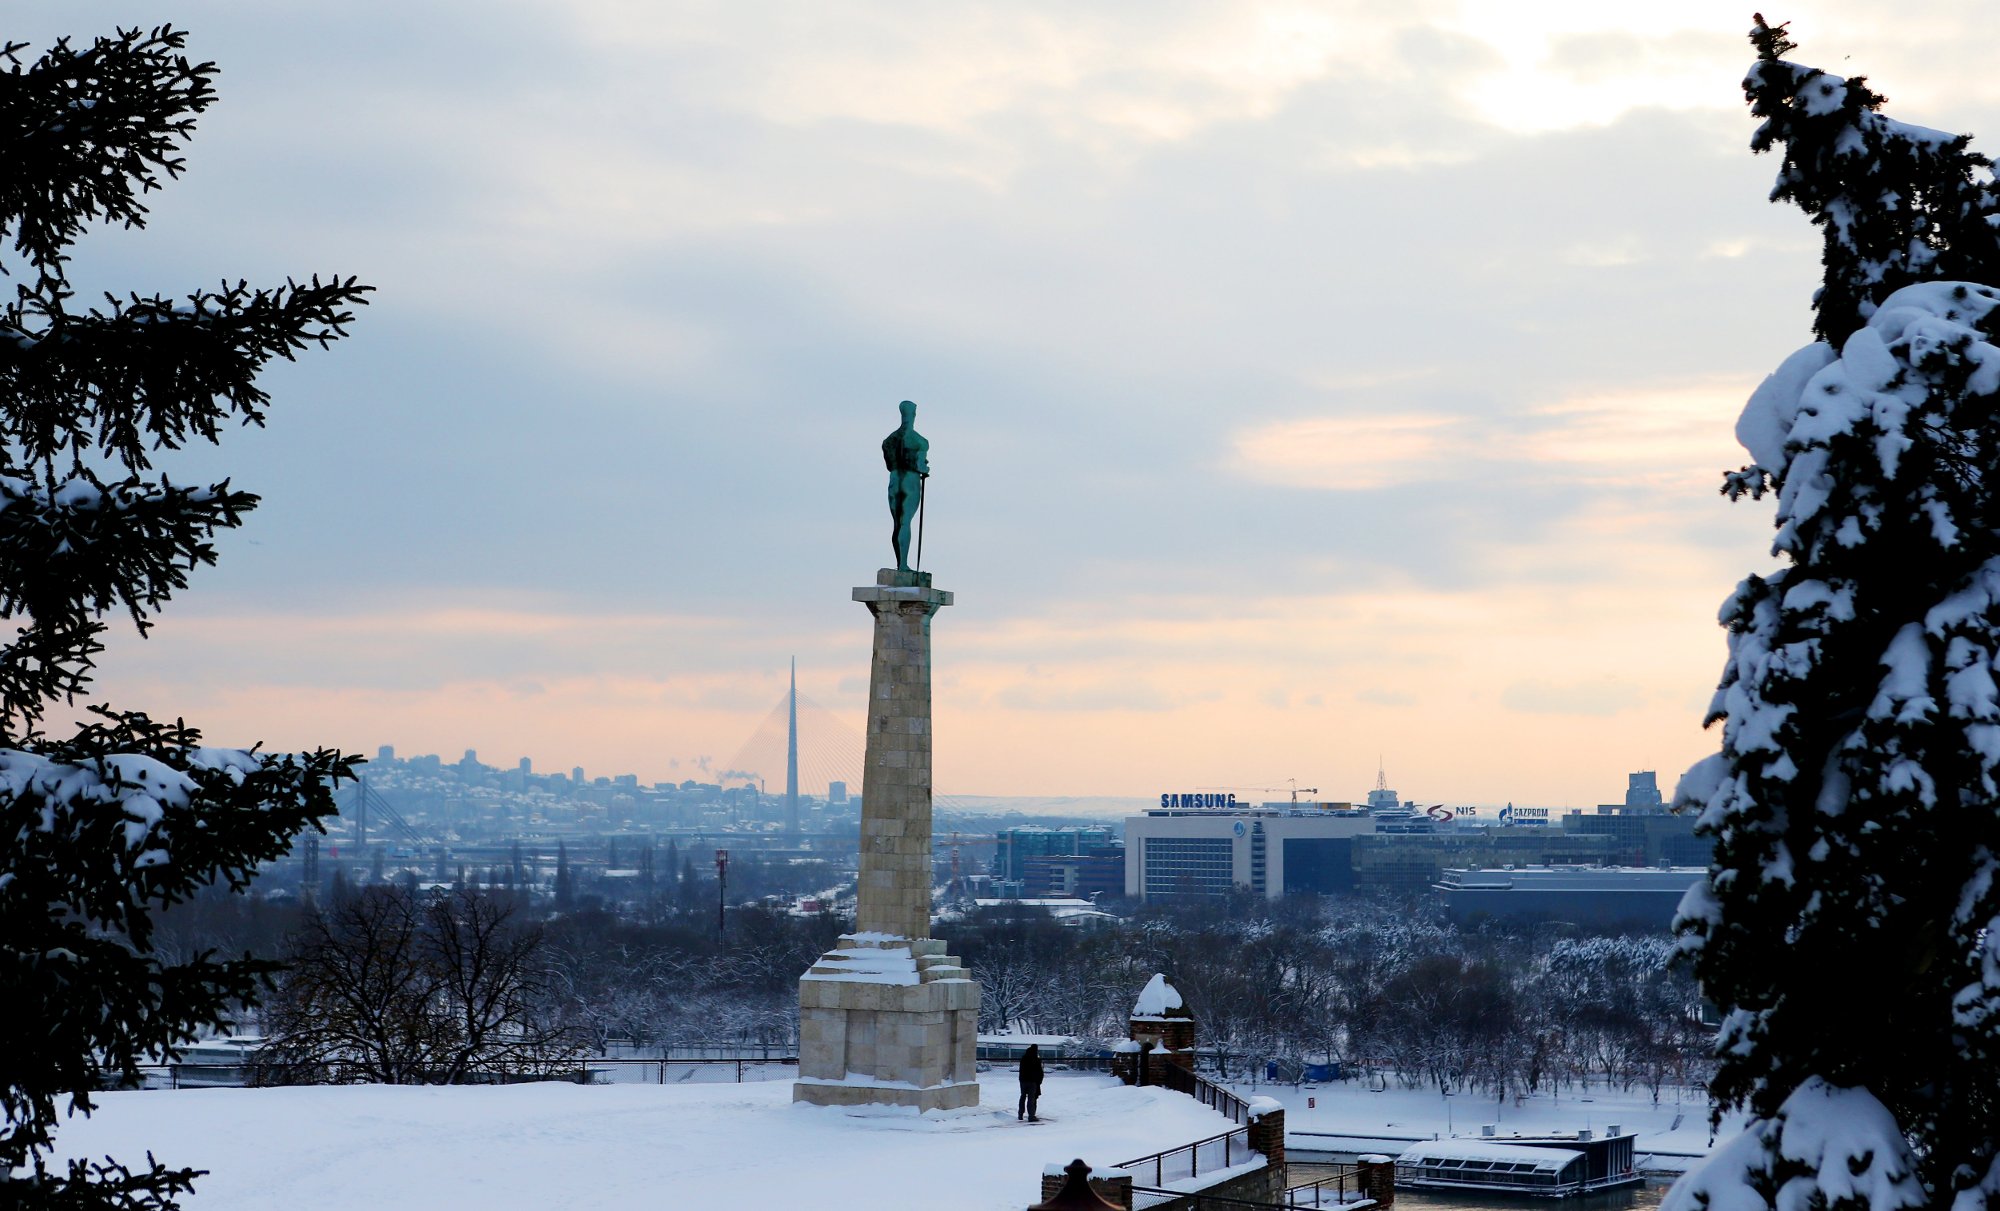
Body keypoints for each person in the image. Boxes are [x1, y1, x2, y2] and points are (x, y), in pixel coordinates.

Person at [882, 400, 928, 572]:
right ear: (914, 414)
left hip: (894, 480)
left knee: (897, 523)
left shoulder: (888, 441)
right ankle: (903, 565)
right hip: (910, 480)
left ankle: (900, 562)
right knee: (906, 522)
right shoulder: (919, 441)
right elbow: (921, 466)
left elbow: (889, 465)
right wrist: (925, 468)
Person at [1018, 1043, 1044, 1121]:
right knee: (1031, 1098)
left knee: (1023, 1096)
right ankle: (1031, 1115)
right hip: (1032, 1081)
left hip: (1023, 1080)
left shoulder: (1024, 1058)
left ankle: (1020, 1114)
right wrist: (1039, 1081)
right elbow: (1039, 1071)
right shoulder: (1036, 1059)